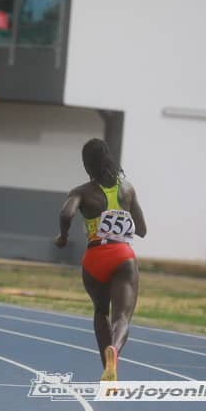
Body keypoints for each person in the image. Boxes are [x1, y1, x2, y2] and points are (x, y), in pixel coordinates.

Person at [55, 138, 147, 381]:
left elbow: (66, 213)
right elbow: (142, 230)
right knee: (122, 318)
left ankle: (107, 368)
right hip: (122, 257)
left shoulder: (81, 192)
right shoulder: (127, 189)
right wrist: (122, 216)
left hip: (94, 259)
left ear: (88, 166)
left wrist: (63, 236)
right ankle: (114, 351)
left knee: (100, 312)